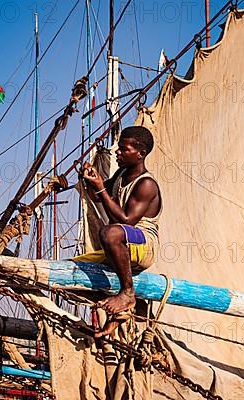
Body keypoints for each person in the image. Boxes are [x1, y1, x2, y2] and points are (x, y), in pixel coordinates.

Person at [80, 126, 162, 337]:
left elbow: (127, 220)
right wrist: (90, 180)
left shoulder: (146, 184)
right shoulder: (121, 174)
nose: (118, 153)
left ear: (140, 153)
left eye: (124, 149)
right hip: (122, 241)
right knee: (75, 267)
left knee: (110, 233)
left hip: (143, 242)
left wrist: (100, 188)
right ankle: (113, 314)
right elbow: (99, 196)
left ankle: (128, 293)